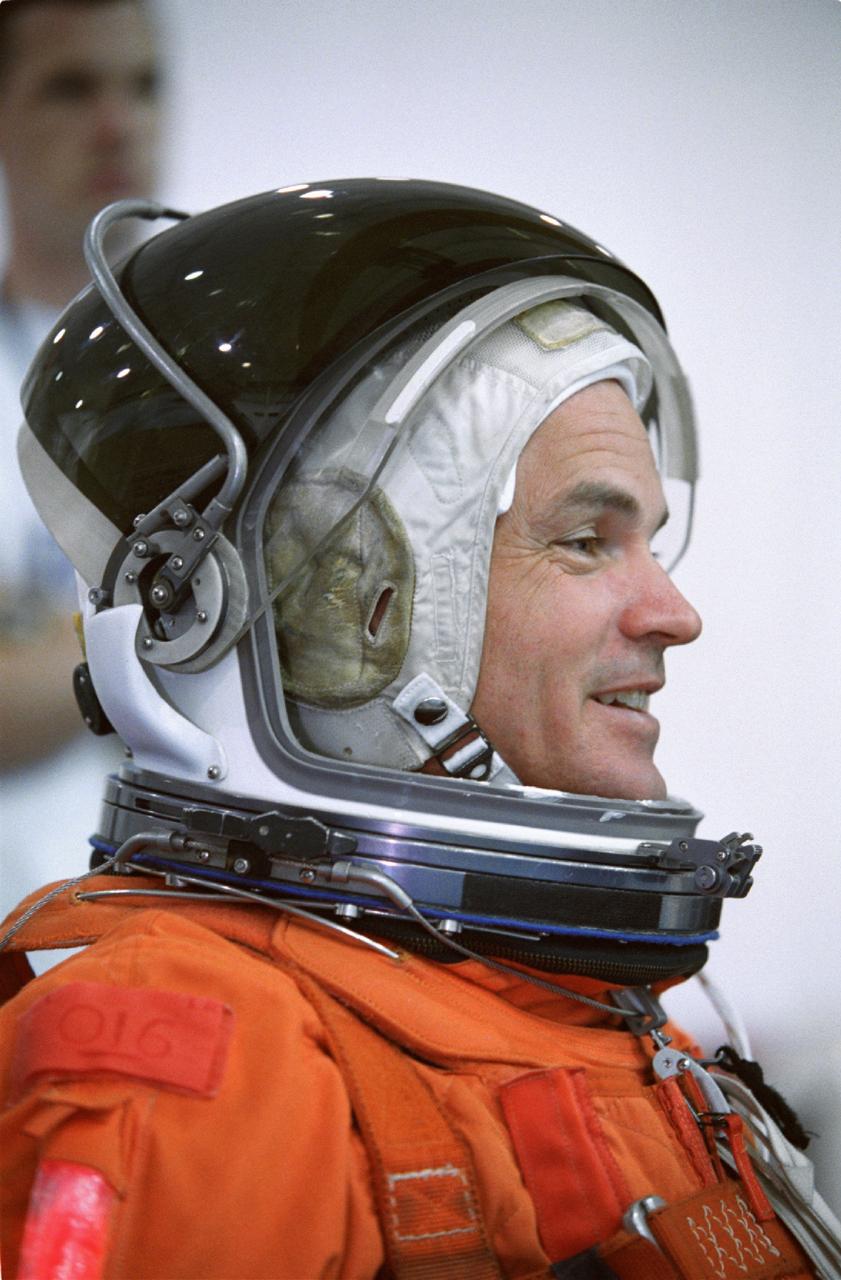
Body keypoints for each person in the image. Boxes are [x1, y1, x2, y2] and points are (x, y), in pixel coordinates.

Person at [1, 180, 838, 1279]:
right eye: (587, 539)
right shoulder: (189, 1045)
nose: (672, 611)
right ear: (362, 611)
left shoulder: (587, 1003)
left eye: (649, 543)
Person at [0, 0, 162, 912]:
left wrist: (47, 647)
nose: (117, 123)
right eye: (70, 87)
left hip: (198, 937)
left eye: (142, 86)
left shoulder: (251, 387)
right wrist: (164, 628)